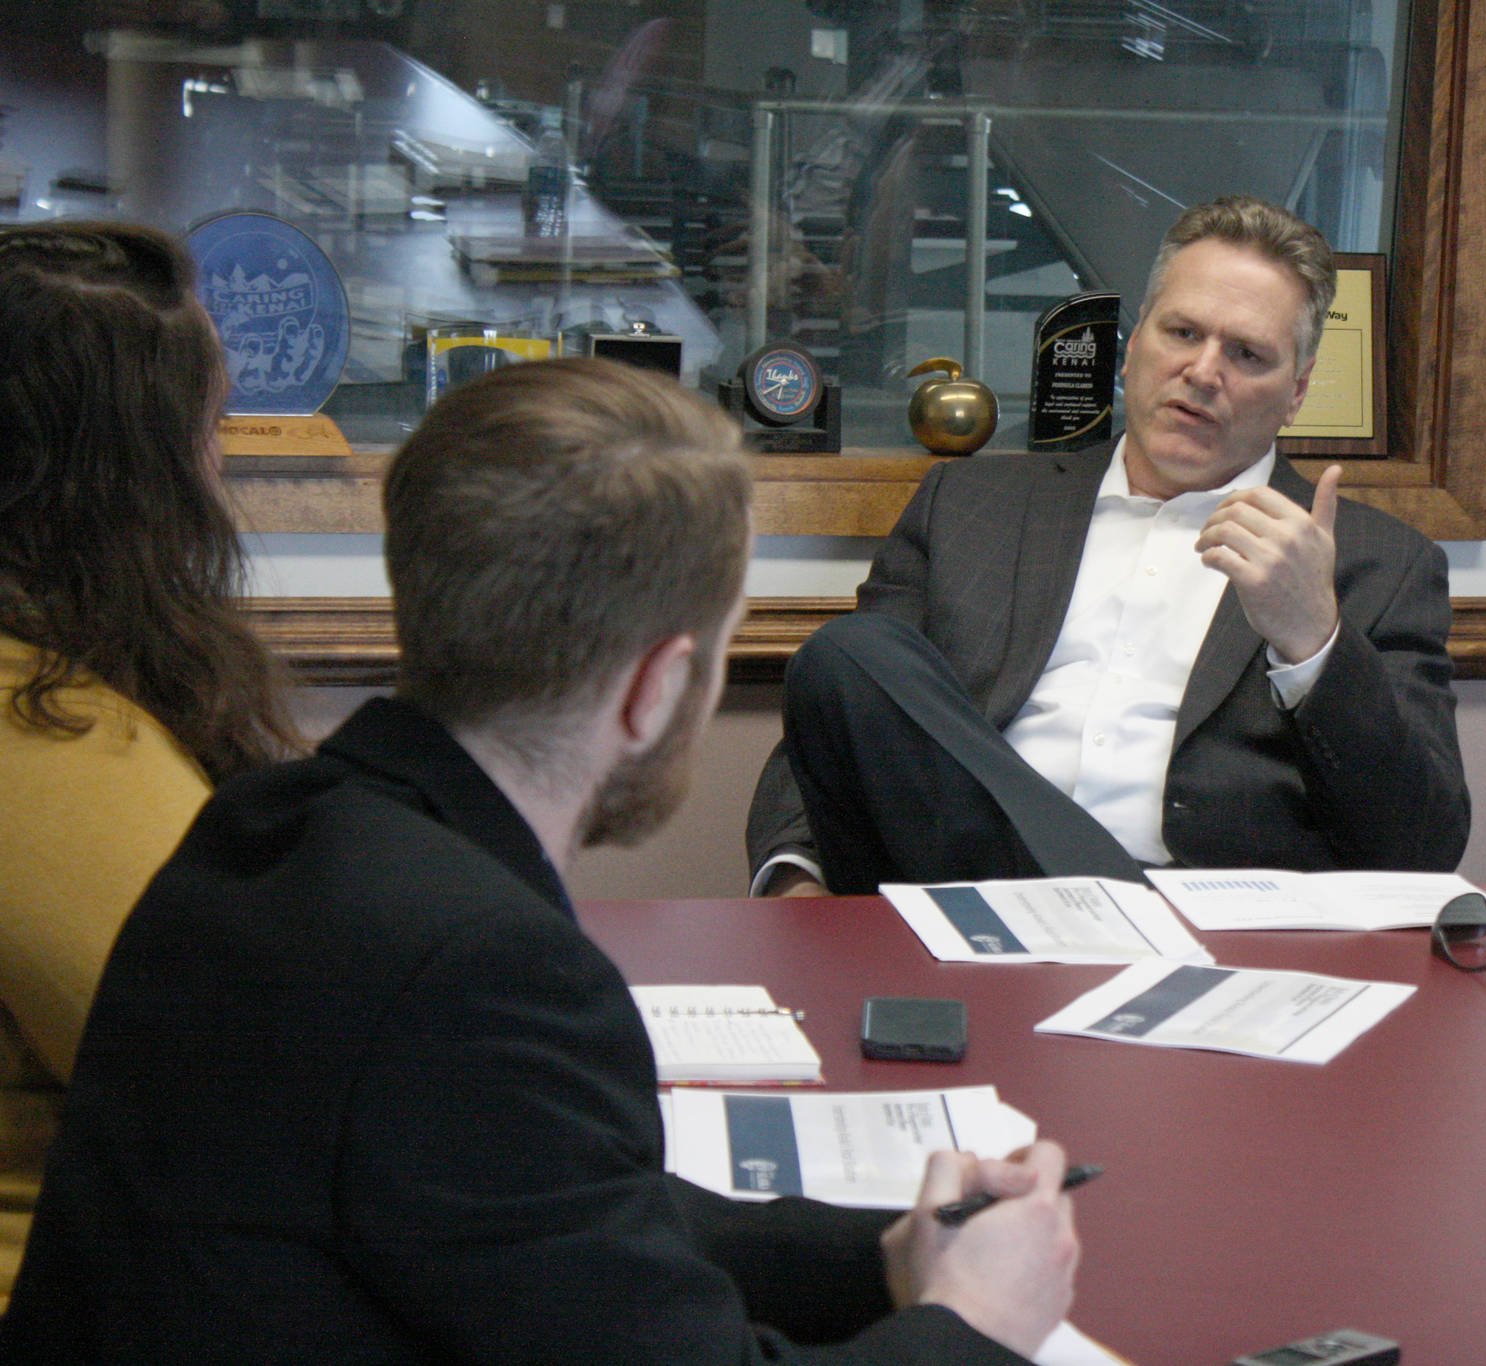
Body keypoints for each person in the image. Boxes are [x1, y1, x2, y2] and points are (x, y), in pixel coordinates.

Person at [0, 359, 1080, 1363]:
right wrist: (972, 1320)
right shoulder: (477, 969)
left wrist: (896, 1246)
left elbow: (583, 1216)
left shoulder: (275, 830)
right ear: (656, 686)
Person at [747, 195, 1469, 895]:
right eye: (1182, 333)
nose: (1204, 372)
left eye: (1248, 354)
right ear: (1132, 347)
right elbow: (838, 733)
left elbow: (1421, 848)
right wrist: (796, 886)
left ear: (1298, 391)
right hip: (964, 898)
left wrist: (1315, 641)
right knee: (852, 657)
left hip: (1204, 923)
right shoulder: (971, 505)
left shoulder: (1377, 563)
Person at [0, 221, 297, 1312]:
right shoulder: (48, 739)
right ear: (129, 479)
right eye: (209, 430)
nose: (222, 475)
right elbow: (241, 1089)